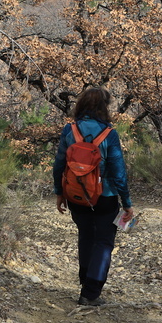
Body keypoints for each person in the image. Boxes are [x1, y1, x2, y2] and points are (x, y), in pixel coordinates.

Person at [53, 87, 135, 306]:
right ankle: (91, 293)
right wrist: (127, 203)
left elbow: (59, 164)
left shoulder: (70, 130)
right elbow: (118, 172)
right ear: (104, 107)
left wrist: (59, 193)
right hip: (105, 196)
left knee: (86, 236)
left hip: (75, 195)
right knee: (104, 242)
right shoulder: (110, 134)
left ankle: (84, 285)